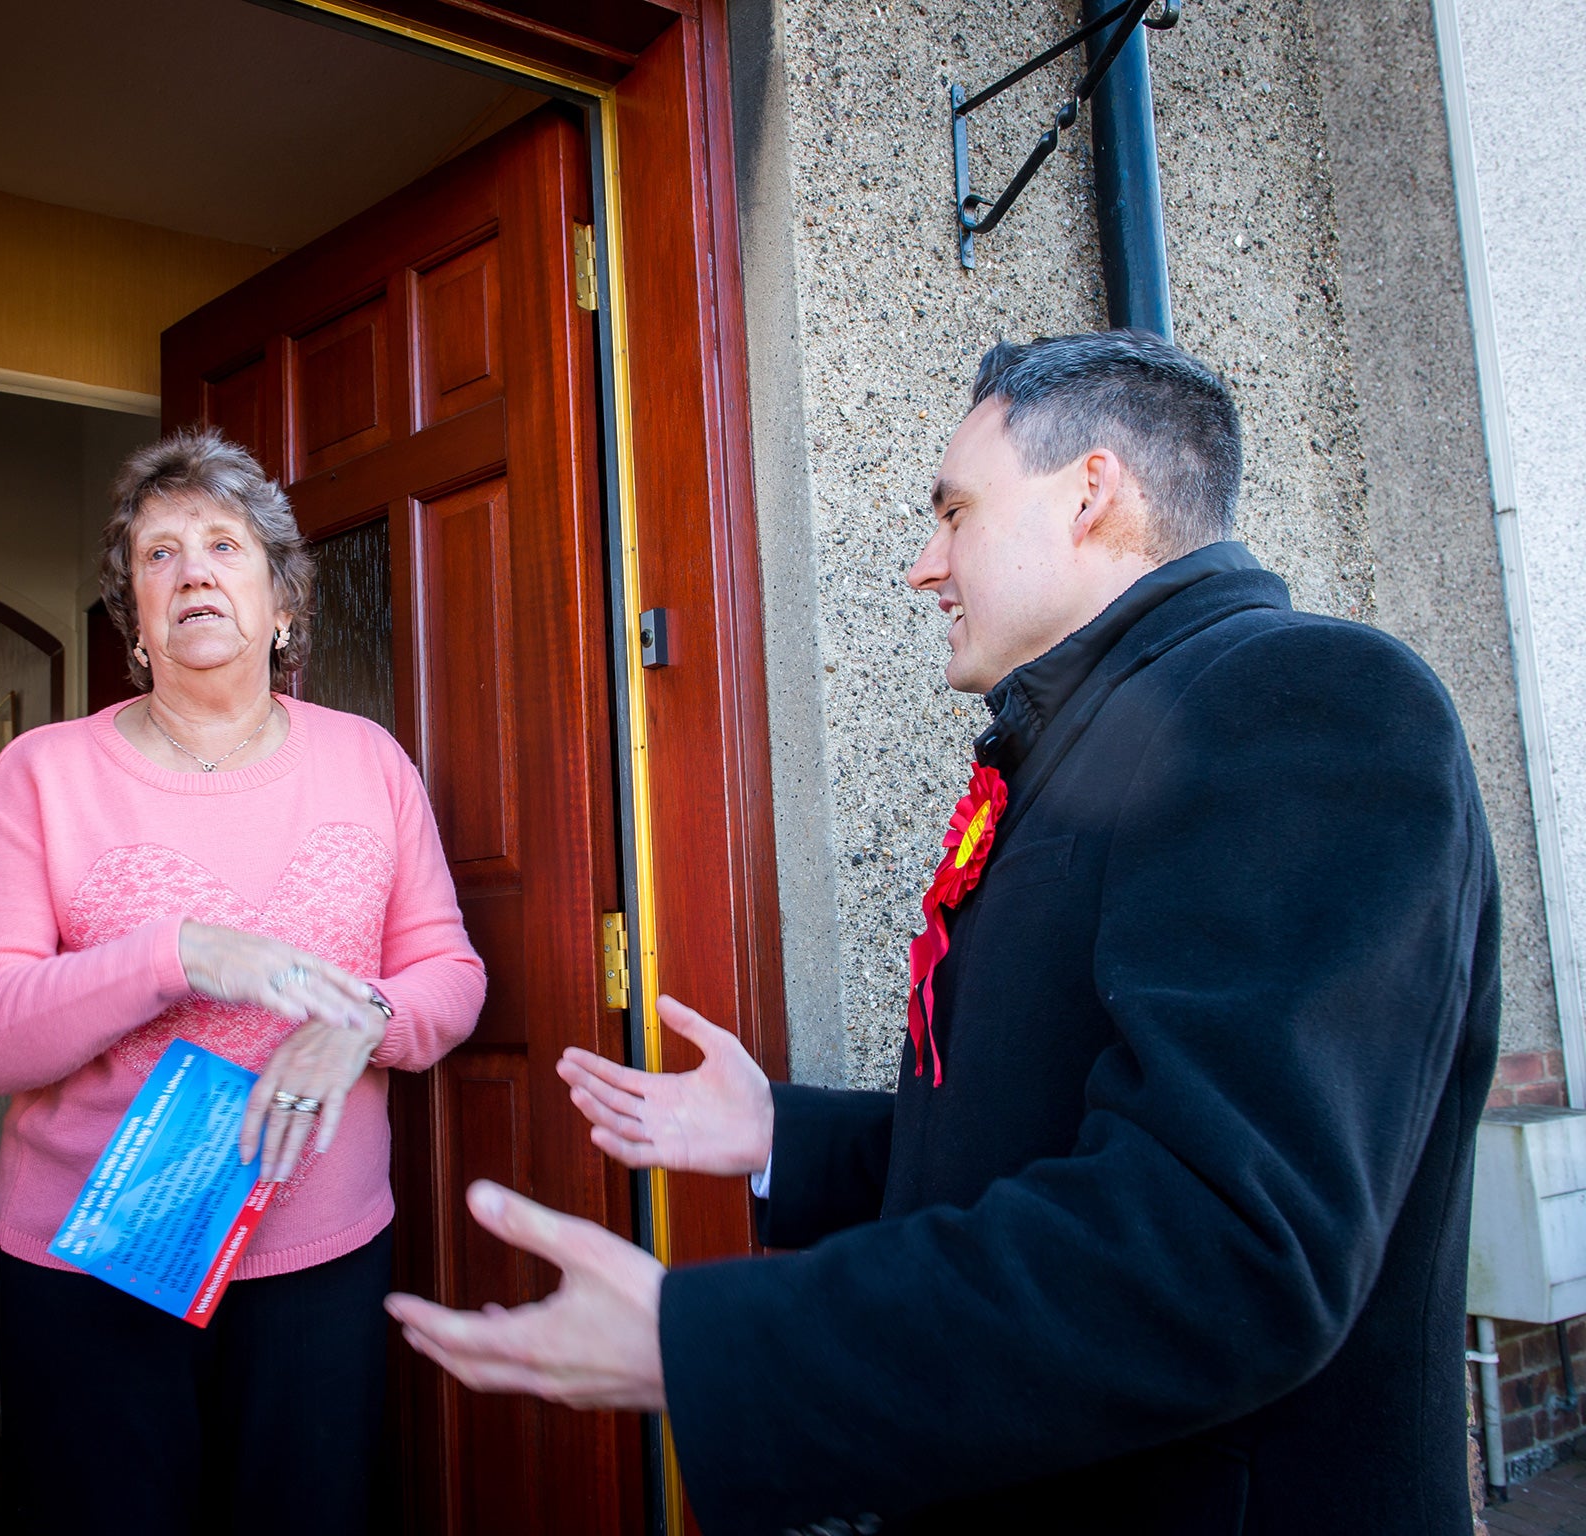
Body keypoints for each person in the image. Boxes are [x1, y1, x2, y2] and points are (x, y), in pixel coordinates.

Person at [388, 331, 1501, 1535]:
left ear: (1089, 492)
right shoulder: (1086, 742)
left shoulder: (1306, 703)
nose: (924, 565)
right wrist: (779, 1135)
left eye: (953, 510)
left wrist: (706, 1346)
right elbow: (1033, 1143)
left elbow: (1214, 1242)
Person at [0, 428, 485, 1534]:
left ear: (281, 604)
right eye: (158, 555)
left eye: (224, 547)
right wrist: (172, 954)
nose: (191, 573)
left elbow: (448, 973)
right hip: (100, 1261)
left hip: (318, 1254)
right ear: (133, 620)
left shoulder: (367, 760)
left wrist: (364, 1020)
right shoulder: (43, 776)